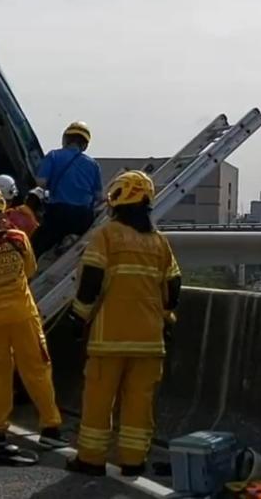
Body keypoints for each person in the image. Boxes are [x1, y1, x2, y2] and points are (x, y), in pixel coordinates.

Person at [65, 171, 181, 477]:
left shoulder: (107, 236)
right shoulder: (159, 242)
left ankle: (91, 459)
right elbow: (174, 285)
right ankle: (133, 461)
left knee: (99, 401)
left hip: (110, 338)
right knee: (139, 405)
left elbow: (91, 280)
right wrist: (167, 317)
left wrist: (78, 317)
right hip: (150, 341)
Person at [0, 186, 68, 449]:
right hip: (22, 314)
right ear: (2, 211)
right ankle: (50, 427)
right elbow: (30, 269)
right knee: (37, 369)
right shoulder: (18, 239)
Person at [32, 121, 103, 258]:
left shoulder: (53, 156)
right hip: (83, 217)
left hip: (59, 213)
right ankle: (69, 240)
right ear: (85, 144)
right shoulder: (93, 165)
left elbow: (40, 183)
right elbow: (99, 196)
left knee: (35, 247)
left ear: (66, 139)